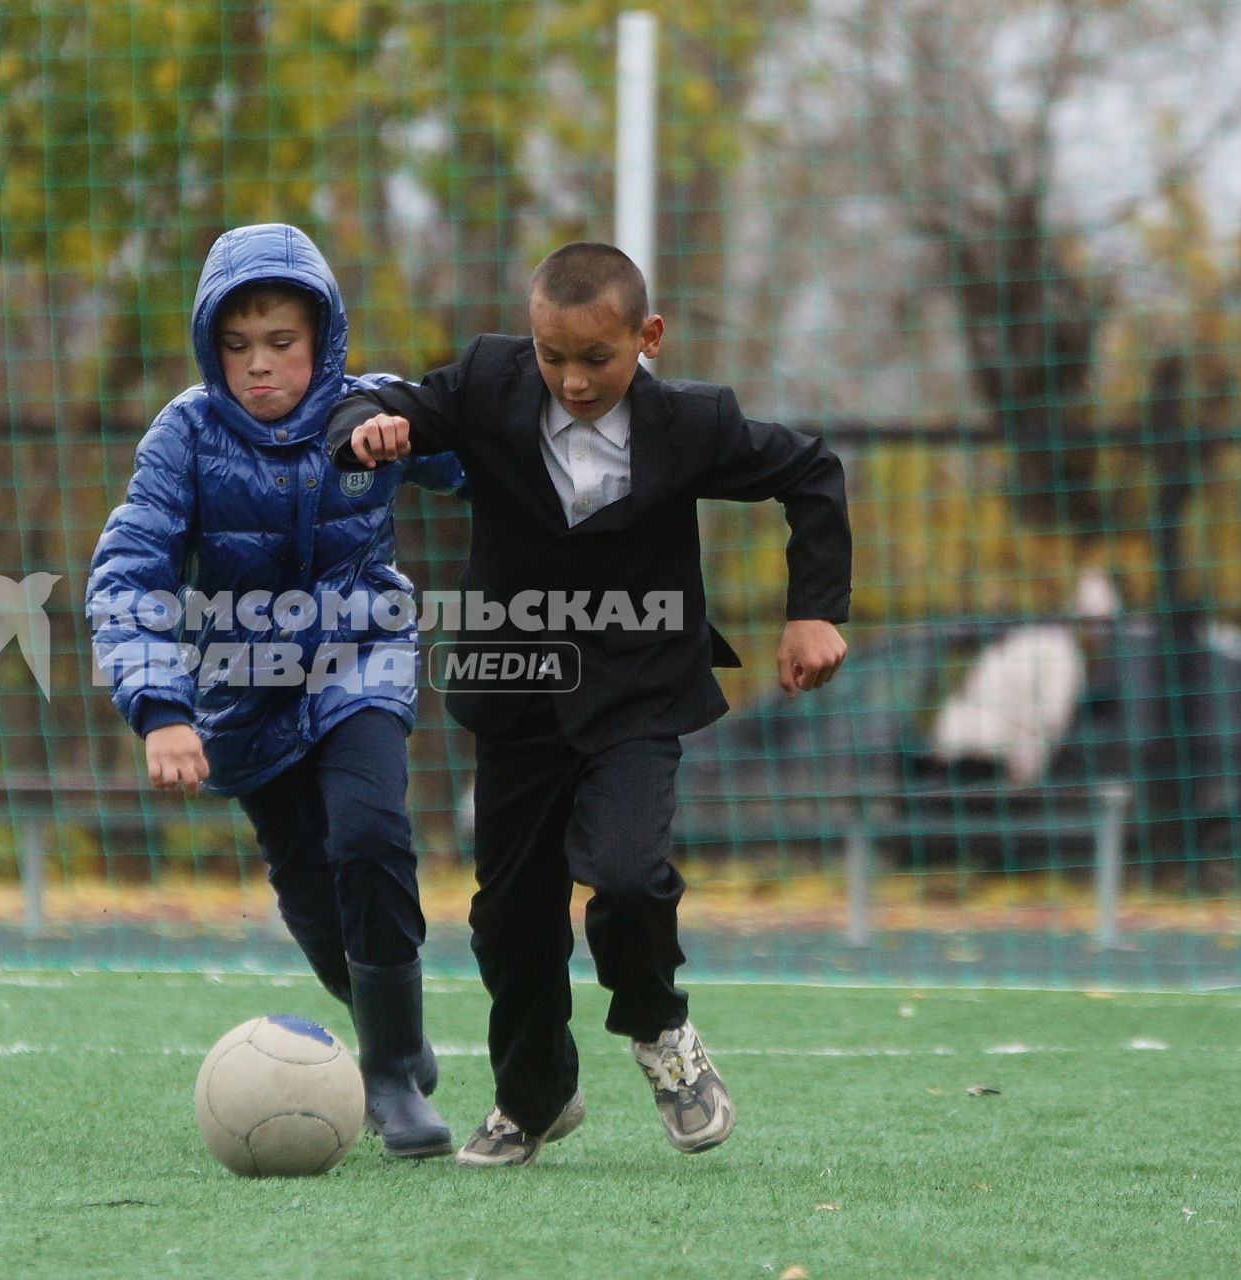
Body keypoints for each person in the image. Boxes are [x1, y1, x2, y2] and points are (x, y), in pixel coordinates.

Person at [327, 242, 851, 1167]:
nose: (571, 380)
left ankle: (661, 1031)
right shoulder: (491, 381)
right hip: (516, 695)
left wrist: (812, 611)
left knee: (626, 872)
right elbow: (390, 401)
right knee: (509, 919)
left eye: (596, 360)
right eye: (552, 356)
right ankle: (533, 1099)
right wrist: (367, 425)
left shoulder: (694, 424)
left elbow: (809, 473)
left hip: (638, 693)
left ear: (647, 338)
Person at [86, 223, 466, 1159]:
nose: (260, 366)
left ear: (323, 339)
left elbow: (478, 460)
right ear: (211, 346)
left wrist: (421, 431)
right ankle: (402, 1041)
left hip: (361, 656)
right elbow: (128, 574)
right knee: (306, 884)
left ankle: (386, 1084)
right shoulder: (184, 433)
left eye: (282, 344)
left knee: (370, 835)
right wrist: (164, 711)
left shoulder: (370, 406)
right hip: (242, 690)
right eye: (238, 345)